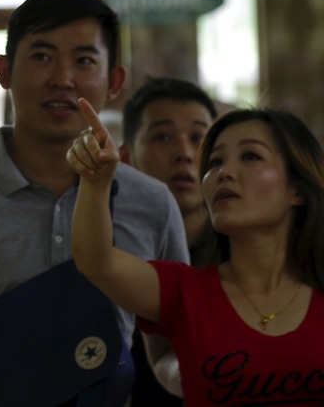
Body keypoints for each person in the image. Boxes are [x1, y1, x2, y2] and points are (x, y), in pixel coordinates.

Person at [0, 0, 190, 405]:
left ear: (115, 80)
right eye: (41, 57)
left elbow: (179, 345)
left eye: (84, 61)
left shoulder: (152, 203)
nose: (63, 79)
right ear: (4, 71)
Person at [68, 100, 324, 406]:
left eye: (251, 156)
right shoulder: (184, 291)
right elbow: (96, 261)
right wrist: (96, 183)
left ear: (297, 189)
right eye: (215, 162)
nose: (224, 172)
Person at [120, 77, 219, 405]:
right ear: (126, 158)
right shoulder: (109, 258)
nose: (185, 154)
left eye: (199, 137)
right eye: (162, 137)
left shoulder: (248, 255)